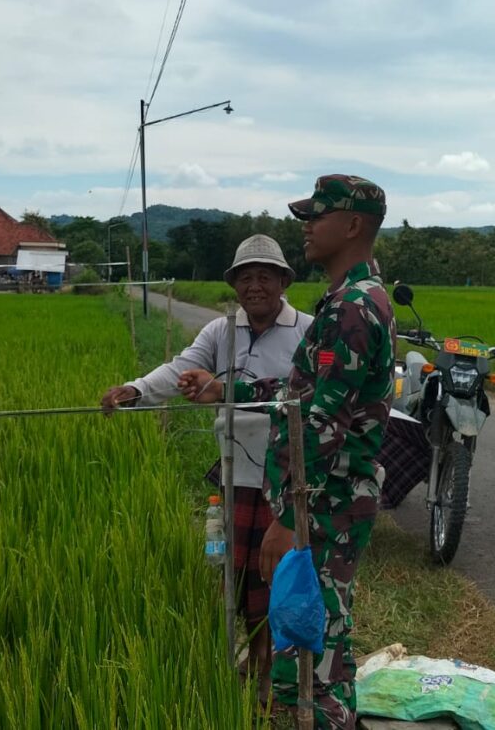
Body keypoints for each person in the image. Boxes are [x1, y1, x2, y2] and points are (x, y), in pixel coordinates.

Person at [179, 175, 396, 729]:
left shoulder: (353, 307)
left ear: (351, 225)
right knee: (317, 642)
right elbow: (301, 397)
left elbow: (322, 423)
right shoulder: (348, 299)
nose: (305, 226)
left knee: (307, 655)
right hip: (326, 503)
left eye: (315, 216)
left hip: (325, 508)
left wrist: (286, 518)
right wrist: (227, 389)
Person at [99, 234, 310, 702]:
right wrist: (135, 390)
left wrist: (226, 390)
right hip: (235, 472)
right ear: (234, 285)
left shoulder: (308, 333)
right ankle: (244, 664)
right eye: (245, 278)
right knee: (234, 576)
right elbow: (182, 369)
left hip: (286, 477)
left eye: (264, 277)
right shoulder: (221, 331)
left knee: (275, 579)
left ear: (282, 282)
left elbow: (309, 401)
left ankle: (270, 673)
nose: (254, 286)